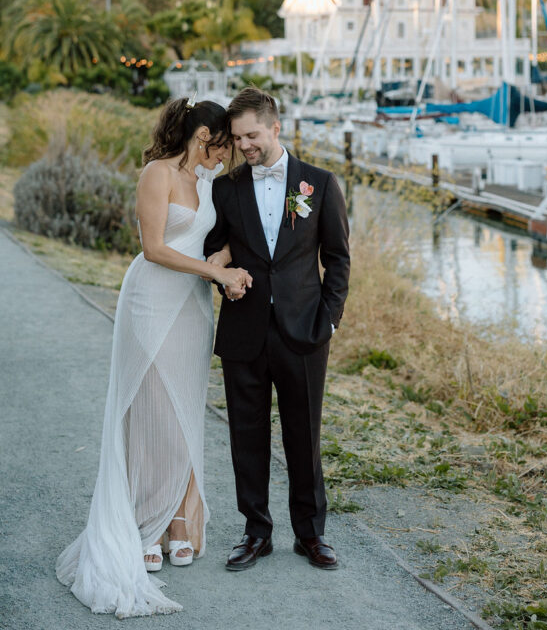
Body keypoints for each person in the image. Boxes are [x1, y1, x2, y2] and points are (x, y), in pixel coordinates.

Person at [56, 97, 251, 618]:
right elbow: (155, 249)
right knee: (150, 412)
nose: (228, 154)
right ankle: (146, 522)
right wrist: (216, 274)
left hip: (192, 307)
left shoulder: (210, 182)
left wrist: (224, 260)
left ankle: (180, 521)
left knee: (184, 410)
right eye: (224, 144)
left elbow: (220, 238)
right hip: (150, 301)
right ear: (204, 135)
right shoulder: (157, 173)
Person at [205, 87, 350, 572]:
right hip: (244, 330)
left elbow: (338, 258)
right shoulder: (225, 189)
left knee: (303, 436)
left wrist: (329, 319)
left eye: (251, 135)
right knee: (246, 435)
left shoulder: (320, 183)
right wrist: (224, 276)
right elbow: (215, 248)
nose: (244, 145)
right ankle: (256, 531)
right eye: (237, 138)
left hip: (304, 331)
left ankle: (310, 533)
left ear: (275, 128)